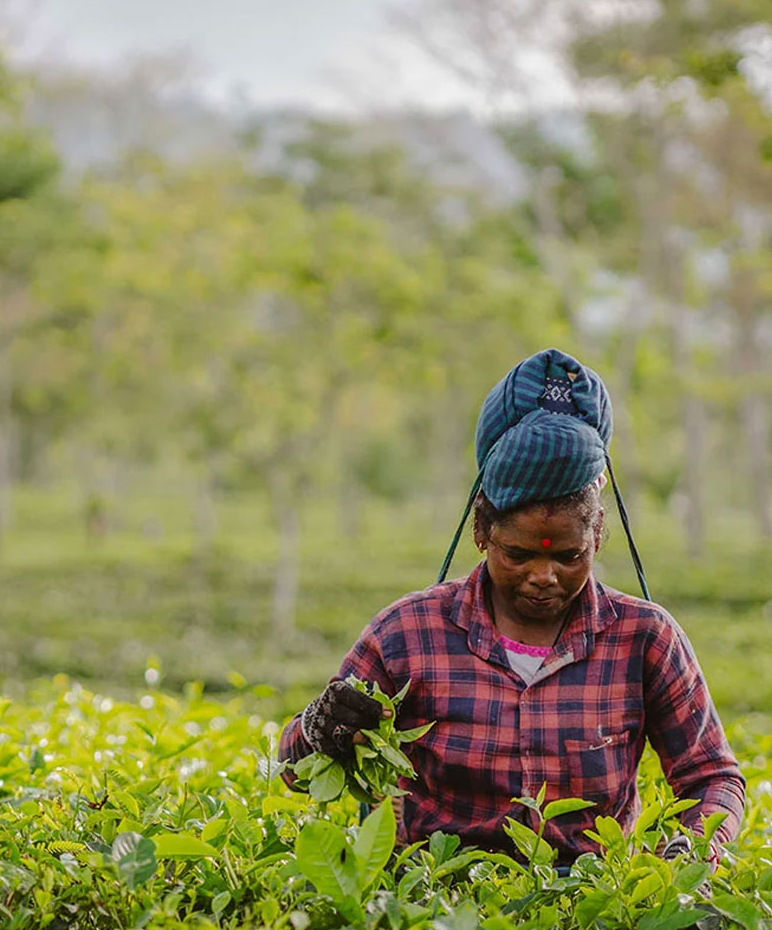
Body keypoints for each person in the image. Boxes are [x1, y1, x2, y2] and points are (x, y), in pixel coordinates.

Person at [279, 349, 745, 863]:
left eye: (570, 556)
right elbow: (291, 771)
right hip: (434, 903)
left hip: (585, 909)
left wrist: (693, 847)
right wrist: (320, 729)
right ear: (482, 533)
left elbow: (712, 778)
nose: (543, 577)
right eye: (518, 554)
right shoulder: (408, 633)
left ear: (597, 536)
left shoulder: (645, 638)